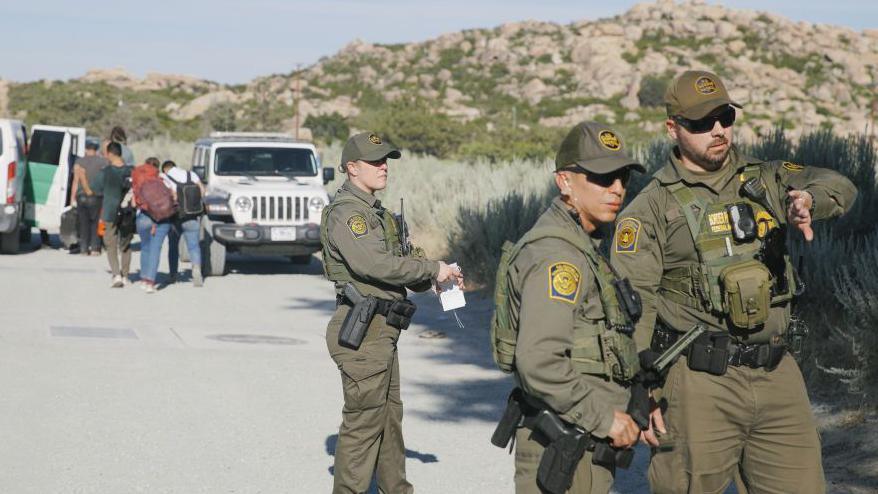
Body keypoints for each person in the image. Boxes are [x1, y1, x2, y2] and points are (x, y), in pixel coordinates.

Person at [610, 70, 858, 494]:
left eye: (725, 117)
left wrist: (809, 201)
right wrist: (640, 392)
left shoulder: (767, 178)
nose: (719, 130)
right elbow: (633, 308)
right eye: (703, 123)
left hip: (778, 373)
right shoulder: (649, 208)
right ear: (673, 128)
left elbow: (839, 185)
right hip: (696, 384)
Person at [493, 121, 646, 494]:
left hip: (583, 445)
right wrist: (604, 419)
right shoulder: (558, 257)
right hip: (567, 447)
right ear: (564, 181)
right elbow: (539, 361)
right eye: (601, 177)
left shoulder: (582, 245)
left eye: (622, 177)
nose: (617, 188)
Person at [320, 131, 464, 494]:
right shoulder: (348, 215)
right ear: (352, 168)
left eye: (386, 160)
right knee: (364, 424)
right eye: (375, 161)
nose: (384, 167)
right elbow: (375, 265)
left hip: (383, 327)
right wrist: (431, 270)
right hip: (363, 328)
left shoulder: (376, 213)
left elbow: (402, 263)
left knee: (388, 419)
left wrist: (436, 275)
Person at [162, 160, 204, 287]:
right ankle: (196, 270)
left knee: (173, 246)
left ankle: (173, 275)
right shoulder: (191, 174)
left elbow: (169, 196)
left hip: (175, 216)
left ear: (165, 169)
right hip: (192, 214)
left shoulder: (165, 177)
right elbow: (202, 190)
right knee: (194, 245)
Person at [133, 157, 173, 294]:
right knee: (156, 249)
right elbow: (173, 196)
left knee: (145, 247)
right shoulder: (164, 179)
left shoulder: (139, 179)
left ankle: (144, 279)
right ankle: (150, 282)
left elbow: (135, 201)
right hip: (162, 218)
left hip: (144, 217)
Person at [101, 142, 134, 287]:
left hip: (110, 211)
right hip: (128, 212)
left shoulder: (106, 171)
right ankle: (126, 275)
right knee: (126, 244)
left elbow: (94, 187)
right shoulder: (132, 171)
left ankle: (116, 275)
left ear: (110, 154)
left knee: (111, 244)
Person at [70, 140, 108, 256]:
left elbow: (76, 181)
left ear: (86, 149)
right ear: (96, 150)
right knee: (95, 222)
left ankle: (84, 248)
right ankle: (95, 248)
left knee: (83, 222)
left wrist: (72, 198)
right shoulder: (104, 162)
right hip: (97, 196)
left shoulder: (79, 162)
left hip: (81, 196)